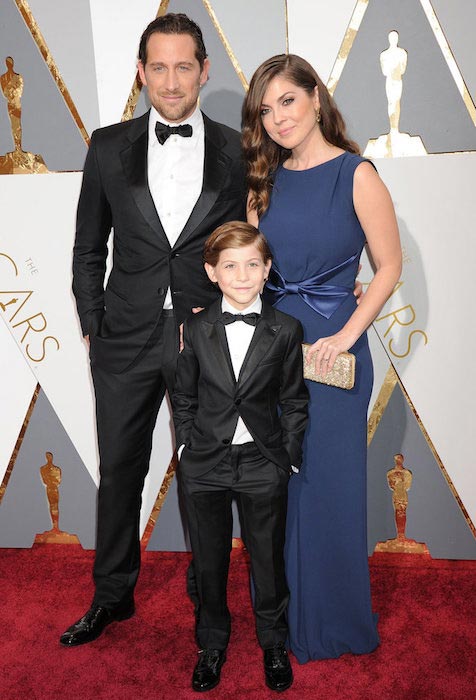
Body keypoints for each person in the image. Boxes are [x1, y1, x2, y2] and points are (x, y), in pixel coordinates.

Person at [61, 13, 247, 647]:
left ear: (204, 70)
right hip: (125, 338)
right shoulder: (107, 146)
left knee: (208, 472)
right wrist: (94, 325)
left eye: (184, 66)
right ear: (141, 72)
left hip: (208, 335)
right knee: (120, 470)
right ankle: (112, 595)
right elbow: (88, 249)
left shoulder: (237, 148)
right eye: (158, 67)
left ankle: (208, 592)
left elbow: (258, 245)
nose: (171, 81)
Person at [242, 54, 402, 662]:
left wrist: (345, 334)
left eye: (287, 100)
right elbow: (253, 272)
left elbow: (388, 268)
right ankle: (279, 627)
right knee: (277, 487)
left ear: (314, 95)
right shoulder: (264, 181)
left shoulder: (357, 175)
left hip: (334, 347)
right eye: (266, 109)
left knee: (327, 485)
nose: (278, 118)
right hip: (275, 345)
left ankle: (334, 622)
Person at [173, 221, 308, 691]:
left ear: (268, 269)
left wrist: (286, 457)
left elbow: (293, 399)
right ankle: (211, 643)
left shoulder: (287, 329)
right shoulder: (193, 326)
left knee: (268, 559)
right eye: (230, 266)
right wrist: (187, 445)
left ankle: (273, 642)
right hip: (205, 462)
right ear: (212, 272)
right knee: (208, 560)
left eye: (253, 265)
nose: (243, 275)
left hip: (262, 461)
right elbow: (183, 395)